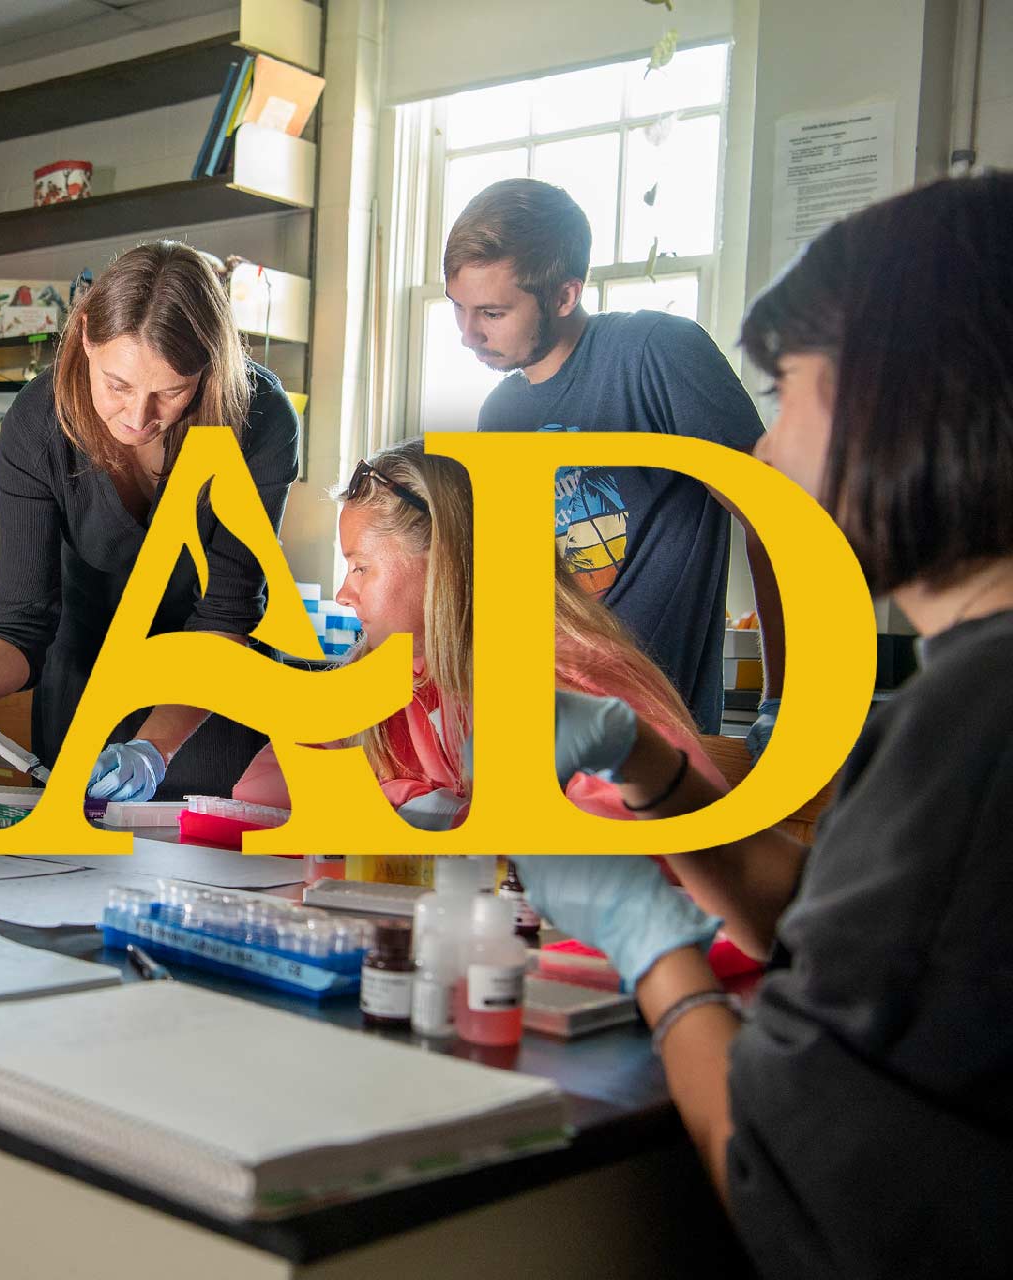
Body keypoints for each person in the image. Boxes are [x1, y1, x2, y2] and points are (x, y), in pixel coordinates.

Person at [520, 173, 1013, 1278]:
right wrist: (648, 767)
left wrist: (651, 950)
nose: (767, 450)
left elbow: (785, 1180)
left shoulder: (976, 728)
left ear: (906, 400)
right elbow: (854, 948)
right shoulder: (966, 693)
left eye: (789, 390)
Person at [0, 241, 301, 801]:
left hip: (208, 701)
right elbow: (21, 622)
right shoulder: (39, 423)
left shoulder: (259, 417)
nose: (138, 417)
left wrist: (154, 747)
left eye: (171, 392)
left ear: (208, 369)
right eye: (118, 384)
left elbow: (228, 613)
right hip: (83, 685)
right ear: (85, 336)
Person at [444, 178, 786, 748]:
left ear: (564, 296)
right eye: (459, 309)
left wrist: (783, 698)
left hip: (657, 735)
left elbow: (777, 522)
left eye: (492, 312)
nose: (467, 335)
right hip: (540, 727)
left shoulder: (657, 352)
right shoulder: (500, 411)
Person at [231, 440, 723, 827]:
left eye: (360, 567)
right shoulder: (397, 670)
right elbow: (259, 787)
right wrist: (425, 807)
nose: (343, 592)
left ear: (443, 563)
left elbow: (637, 836)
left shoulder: (569, 673)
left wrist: (426, 815)